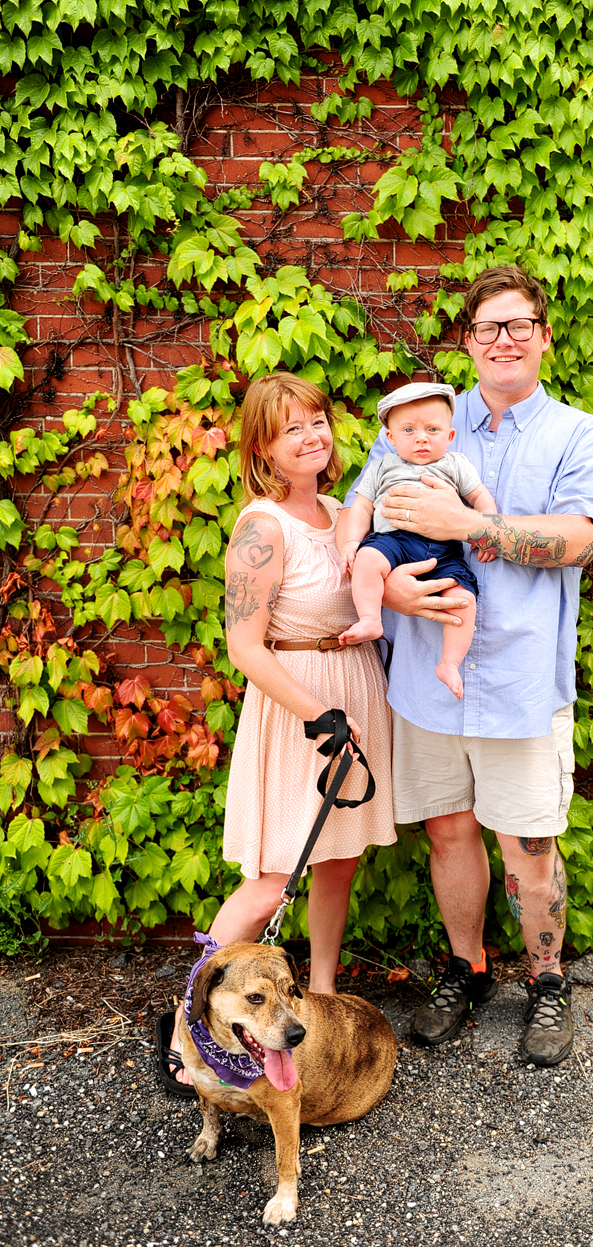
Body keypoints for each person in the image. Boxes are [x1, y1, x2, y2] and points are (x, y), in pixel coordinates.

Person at [345, 264, 593, 1066]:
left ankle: (545, 980)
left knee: (528, 843)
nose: (503, 339)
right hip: (430, 676)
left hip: (520, 681)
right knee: (448, 831)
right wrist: (386, 581)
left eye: (518, 324)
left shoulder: (580, 434)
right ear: (467, 341)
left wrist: (465, 522)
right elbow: (364, 507)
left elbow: (579, 538)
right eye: (486, 327)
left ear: (543, 334)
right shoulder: (422, 417)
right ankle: (466, 971)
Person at [157, 372, 396, 1093]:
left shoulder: (338, 508)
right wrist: (318, 712)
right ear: (263, 444)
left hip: (356, 685)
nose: (312, 436)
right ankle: (186, 1027)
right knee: (270, 880)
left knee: (338, 861)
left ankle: (313, 1005)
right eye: (292, 427)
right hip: (301, 707)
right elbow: (244, 646)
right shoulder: (263, 524)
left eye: (318, 420)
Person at [337, 381, 497, 699]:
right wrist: (350, 543)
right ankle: (370, 619)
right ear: (391, 438)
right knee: (367, 560)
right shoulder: (383, 466)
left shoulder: (456, 464)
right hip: (392, 540)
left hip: (444, 549)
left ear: (449, 436)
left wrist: (488, 532)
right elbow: (362, 507)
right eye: (408, 430)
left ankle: (449, 663)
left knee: (464, 598)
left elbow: (481, 498)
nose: (421, 437)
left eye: (432, 429)